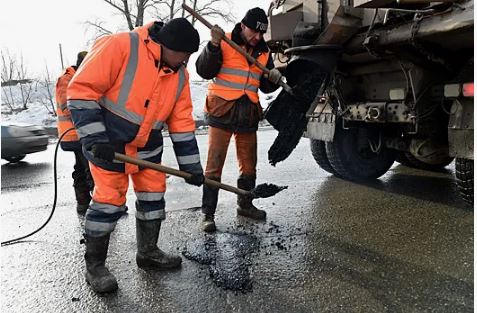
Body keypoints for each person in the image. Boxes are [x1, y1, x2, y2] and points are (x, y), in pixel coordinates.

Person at [67, 18, 204, 293]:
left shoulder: (179, 76)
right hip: (109, 145)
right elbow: (81, 90)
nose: (185, 61)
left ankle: (148, 252)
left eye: (189, 57)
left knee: (153, 196)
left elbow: (182, 123)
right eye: (183, 55)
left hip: (147, 148)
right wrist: (94, 137)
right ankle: (95, 266)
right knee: (108, 202)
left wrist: (192, 167)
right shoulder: (122, 46)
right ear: (166, 45)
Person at [195, 7, 282, 232]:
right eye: (254, 31)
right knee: (214, 166)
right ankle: (208, 214)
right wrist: (212, 46)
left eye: (261, 33)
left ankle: (245, 204)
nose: (258, 37)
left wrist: (273, 77)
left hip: (248, 113)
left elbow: (264, 86)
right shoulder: (223, 41)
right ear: (243, 26)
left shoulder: (264, 52)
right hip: (222, 110)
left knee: (249, 165)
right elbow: (203, 70)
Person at [56, 51, 94, 215]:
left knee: (81, 167)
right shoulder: (67, 79)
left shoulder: (77, 77)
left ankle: (83, 204)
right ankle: (101, 208)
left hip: (79, 133)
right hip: (74, 134)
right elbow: (68, 106)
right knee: (91, 169)